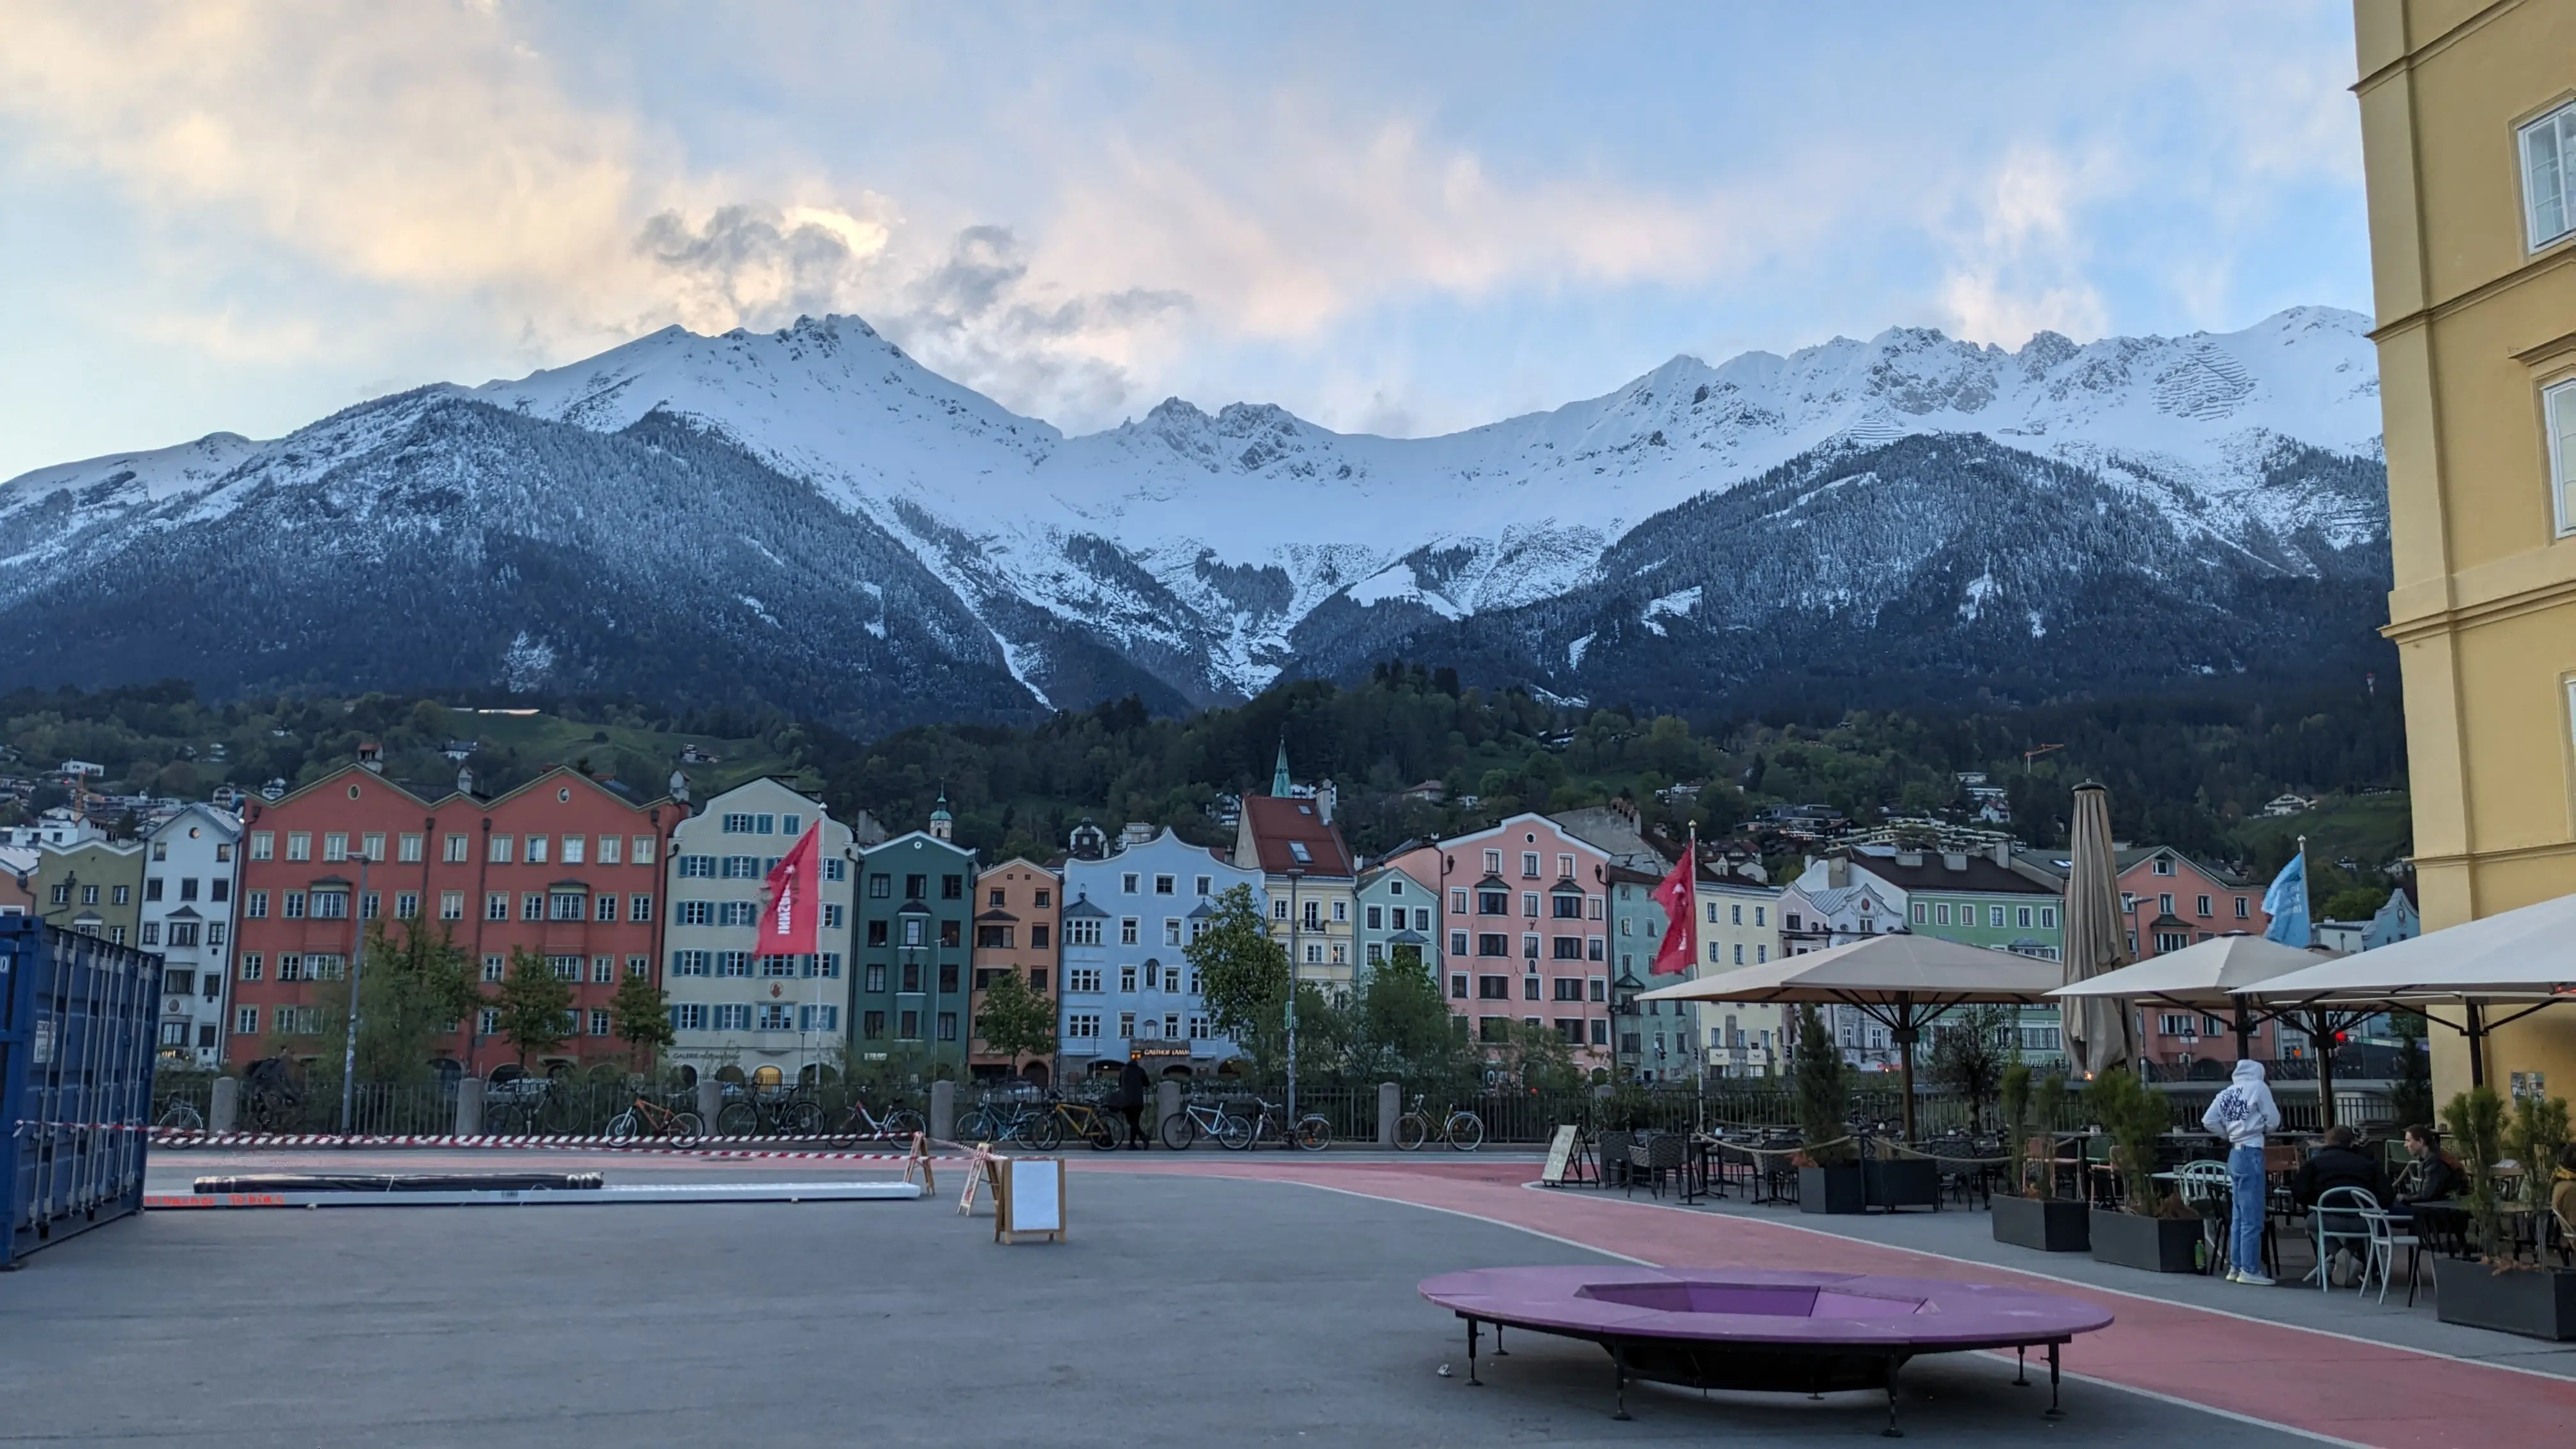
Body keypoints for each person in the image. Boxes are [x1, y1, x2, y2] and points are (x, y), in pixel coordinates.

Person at [2202, 1058, 2283, 1285]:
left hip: (2235, 1154)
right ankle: (2249, 1269)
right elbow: (2274, 1121)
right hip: (2252, 1150)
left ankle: (2236, 1267)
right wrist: (2261, 1129)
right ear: (2259, 1072)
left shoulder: (2226, 1092)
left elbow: (2208, 1120)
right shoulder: (2259, 1088)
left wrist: (2228, 1134)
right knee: (2252, 1216)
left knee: (2238, 1215)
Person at [2292, 1124, 2388, 1286]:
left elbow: (2299, 1192)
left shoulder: (2315, 1163)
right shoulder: (2368, 1164)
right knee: (2369, 1219)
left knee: (2312, 1221)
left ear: (2328, 1142)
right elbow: (2386, 1195)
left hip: (2327, 1219)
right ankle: (2351, 1255)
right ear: (2352, 1143)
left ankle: (2339, 1255)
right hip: (2363, 1223)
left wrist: (2316, 1202)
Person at [2393, 1124, 2461, 1215]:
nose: (2405, 1145)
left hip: (2451, 1206)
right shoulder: (2430, 1158)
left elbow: (2427, 1195)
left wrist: (2404, 1197)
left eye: (2408, 1141)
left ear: (2420, 1142)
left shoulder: (2435, 1161)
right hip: (2444, 1203)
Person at [1116, 1056, 1151, 1150]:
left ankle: (1133, 1143)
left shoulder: (1124, 1070)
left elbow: (1119, 1083)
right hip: (1138, 1101)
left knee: (1132, 1122)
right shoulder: (1140, 1070)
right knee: (1135, 1122)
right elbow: (1147, 1083)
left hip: (1126, 1101)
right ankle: (1142, 1138)